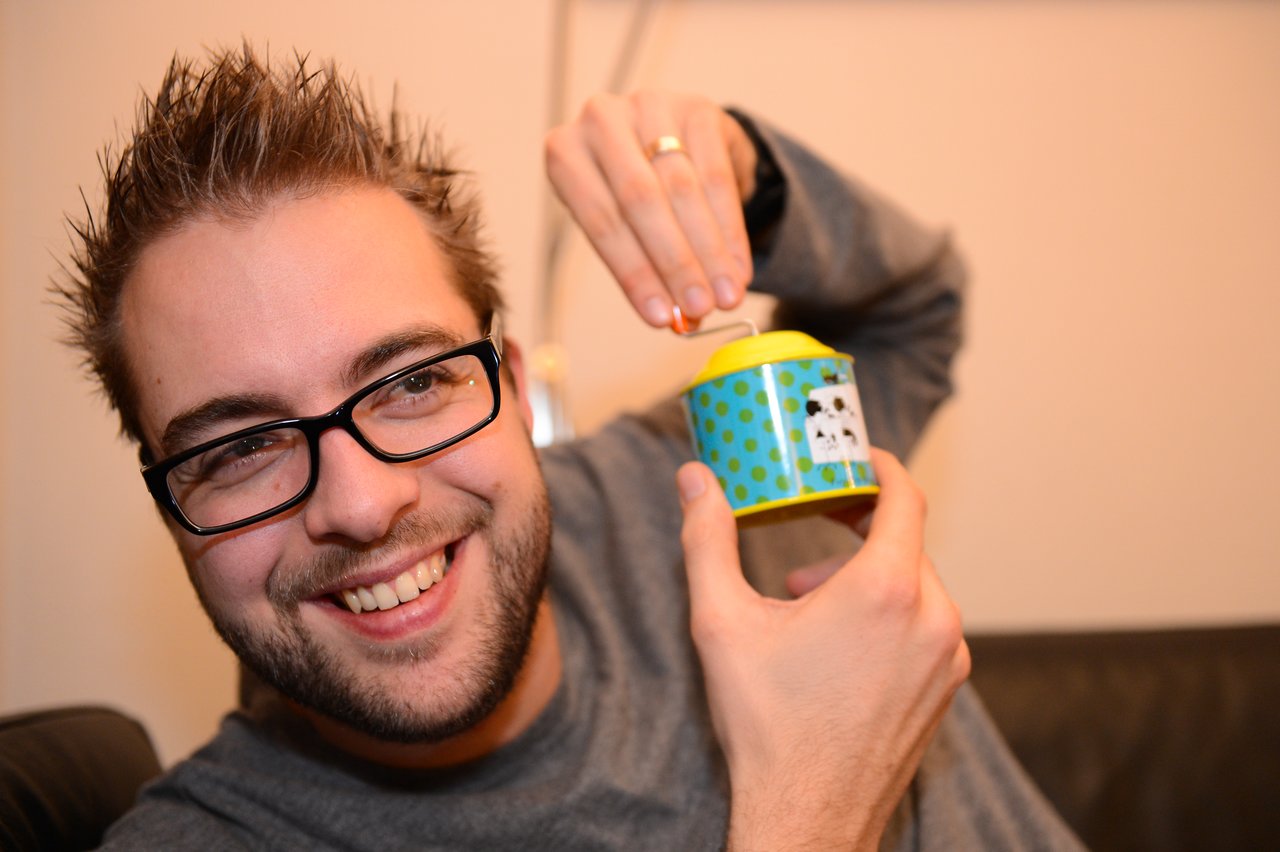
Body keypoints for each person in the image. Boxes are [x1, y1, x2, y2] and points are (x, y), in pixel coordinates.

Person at [58, 46, 1082, 850]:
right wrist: (812, 814)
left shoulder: (706, 483)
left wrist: (747, 179)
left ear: (507, 384)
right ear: (169, 506)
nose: (362, 506)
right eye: (240, 449)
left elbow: (911, 310)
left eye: (413, 383)